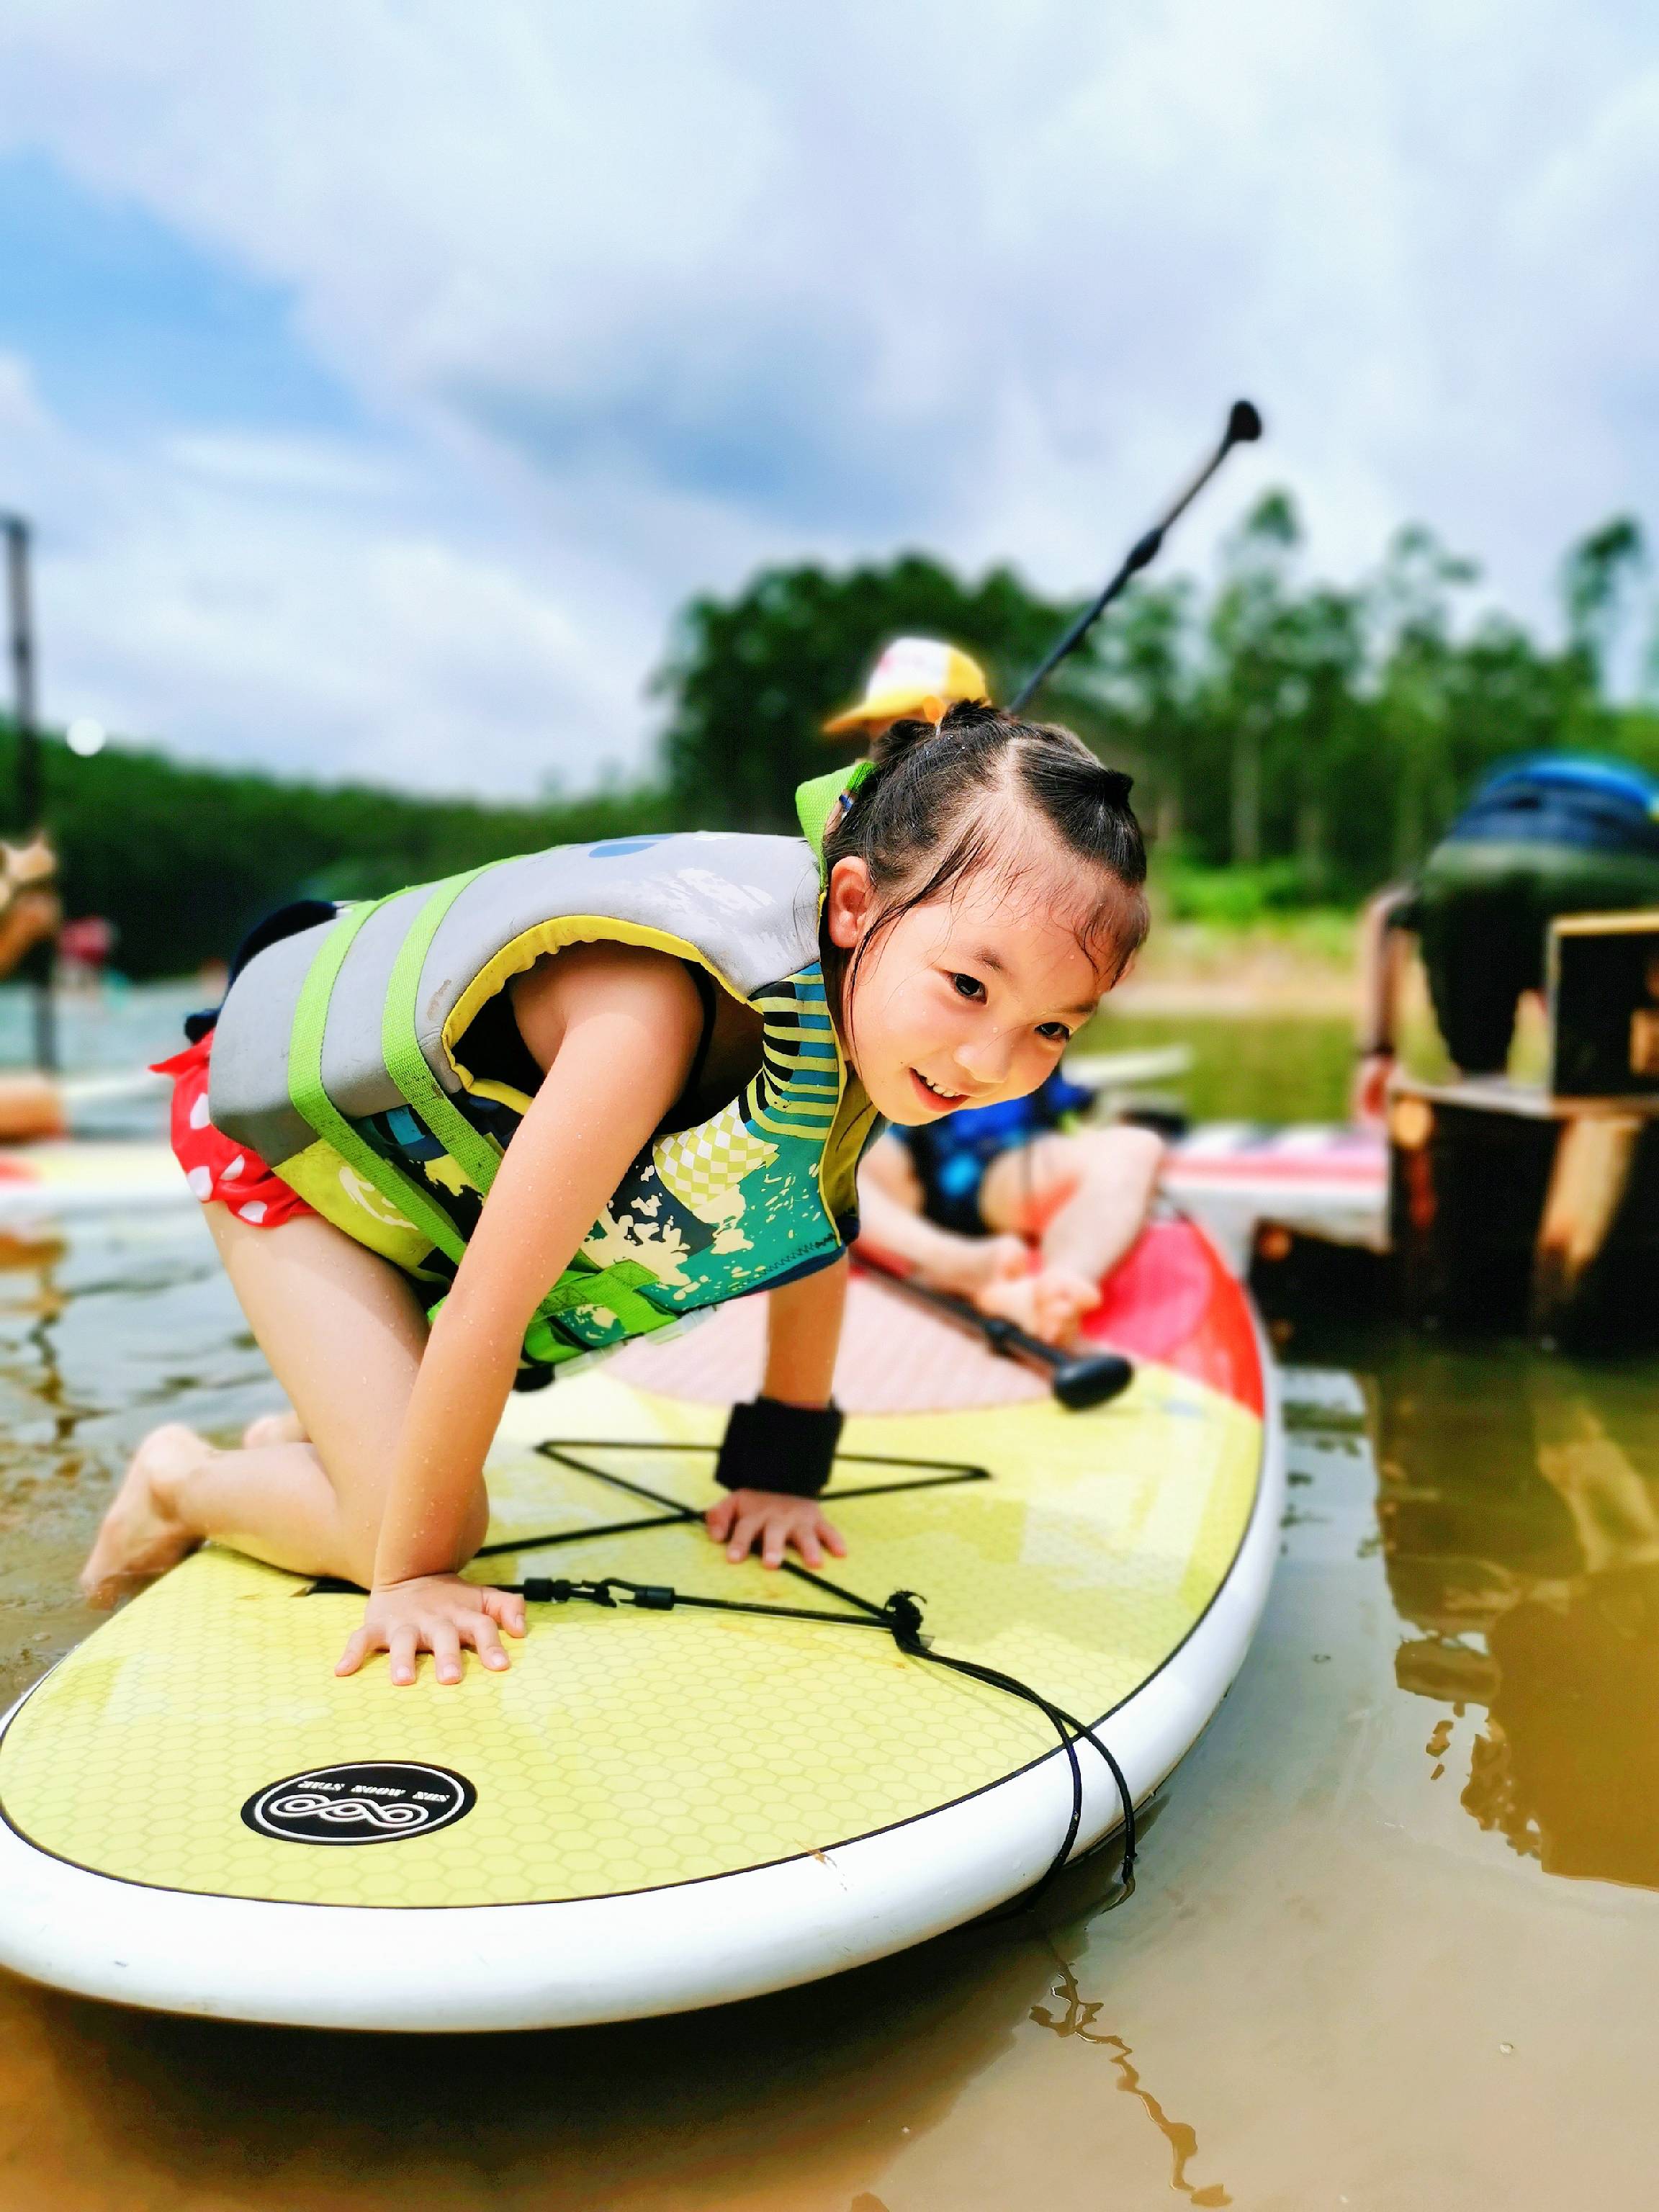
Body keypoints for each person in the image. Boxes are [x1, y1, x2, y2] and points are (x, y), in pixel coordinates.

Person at [80, 701, 1149, 1687]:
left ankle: (316, 1442)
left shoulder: (861, 1019)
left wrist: (778, 1473)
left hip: (414, 1202)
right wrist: (409, 1579)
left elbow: (803, 1229)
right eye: (970, 985)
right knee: (419, 1531)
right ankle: (179, 1482)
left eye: (1053, 1026)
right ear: (858, 904)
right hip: (299, 1167)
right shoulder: (650, 1017)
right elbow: (493, 1310)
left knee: (402, 1470)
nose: (991, 1059)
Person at [828, 636, 1164, 1342]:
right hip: (881, 1148)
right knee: (827, 1160)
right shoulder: (856, 844)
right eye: (880, 733)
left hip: (998, 1161)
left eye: (915, 726)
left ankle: (1057, 1284)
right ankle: (958, 1263)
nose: (892, 746)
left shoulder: (1026, 807)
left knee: (1130, 1152)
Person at [1354, 754, 1659, 1121]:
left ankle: (1475, 1143)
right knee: (1602, 1082)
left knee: (1478, 1074)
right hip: (1600, 867)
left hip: (1470, 869)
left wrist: (1377, 1055)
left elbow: (1386, 911)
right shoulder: (1643, 802)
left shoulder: (1492, 802)